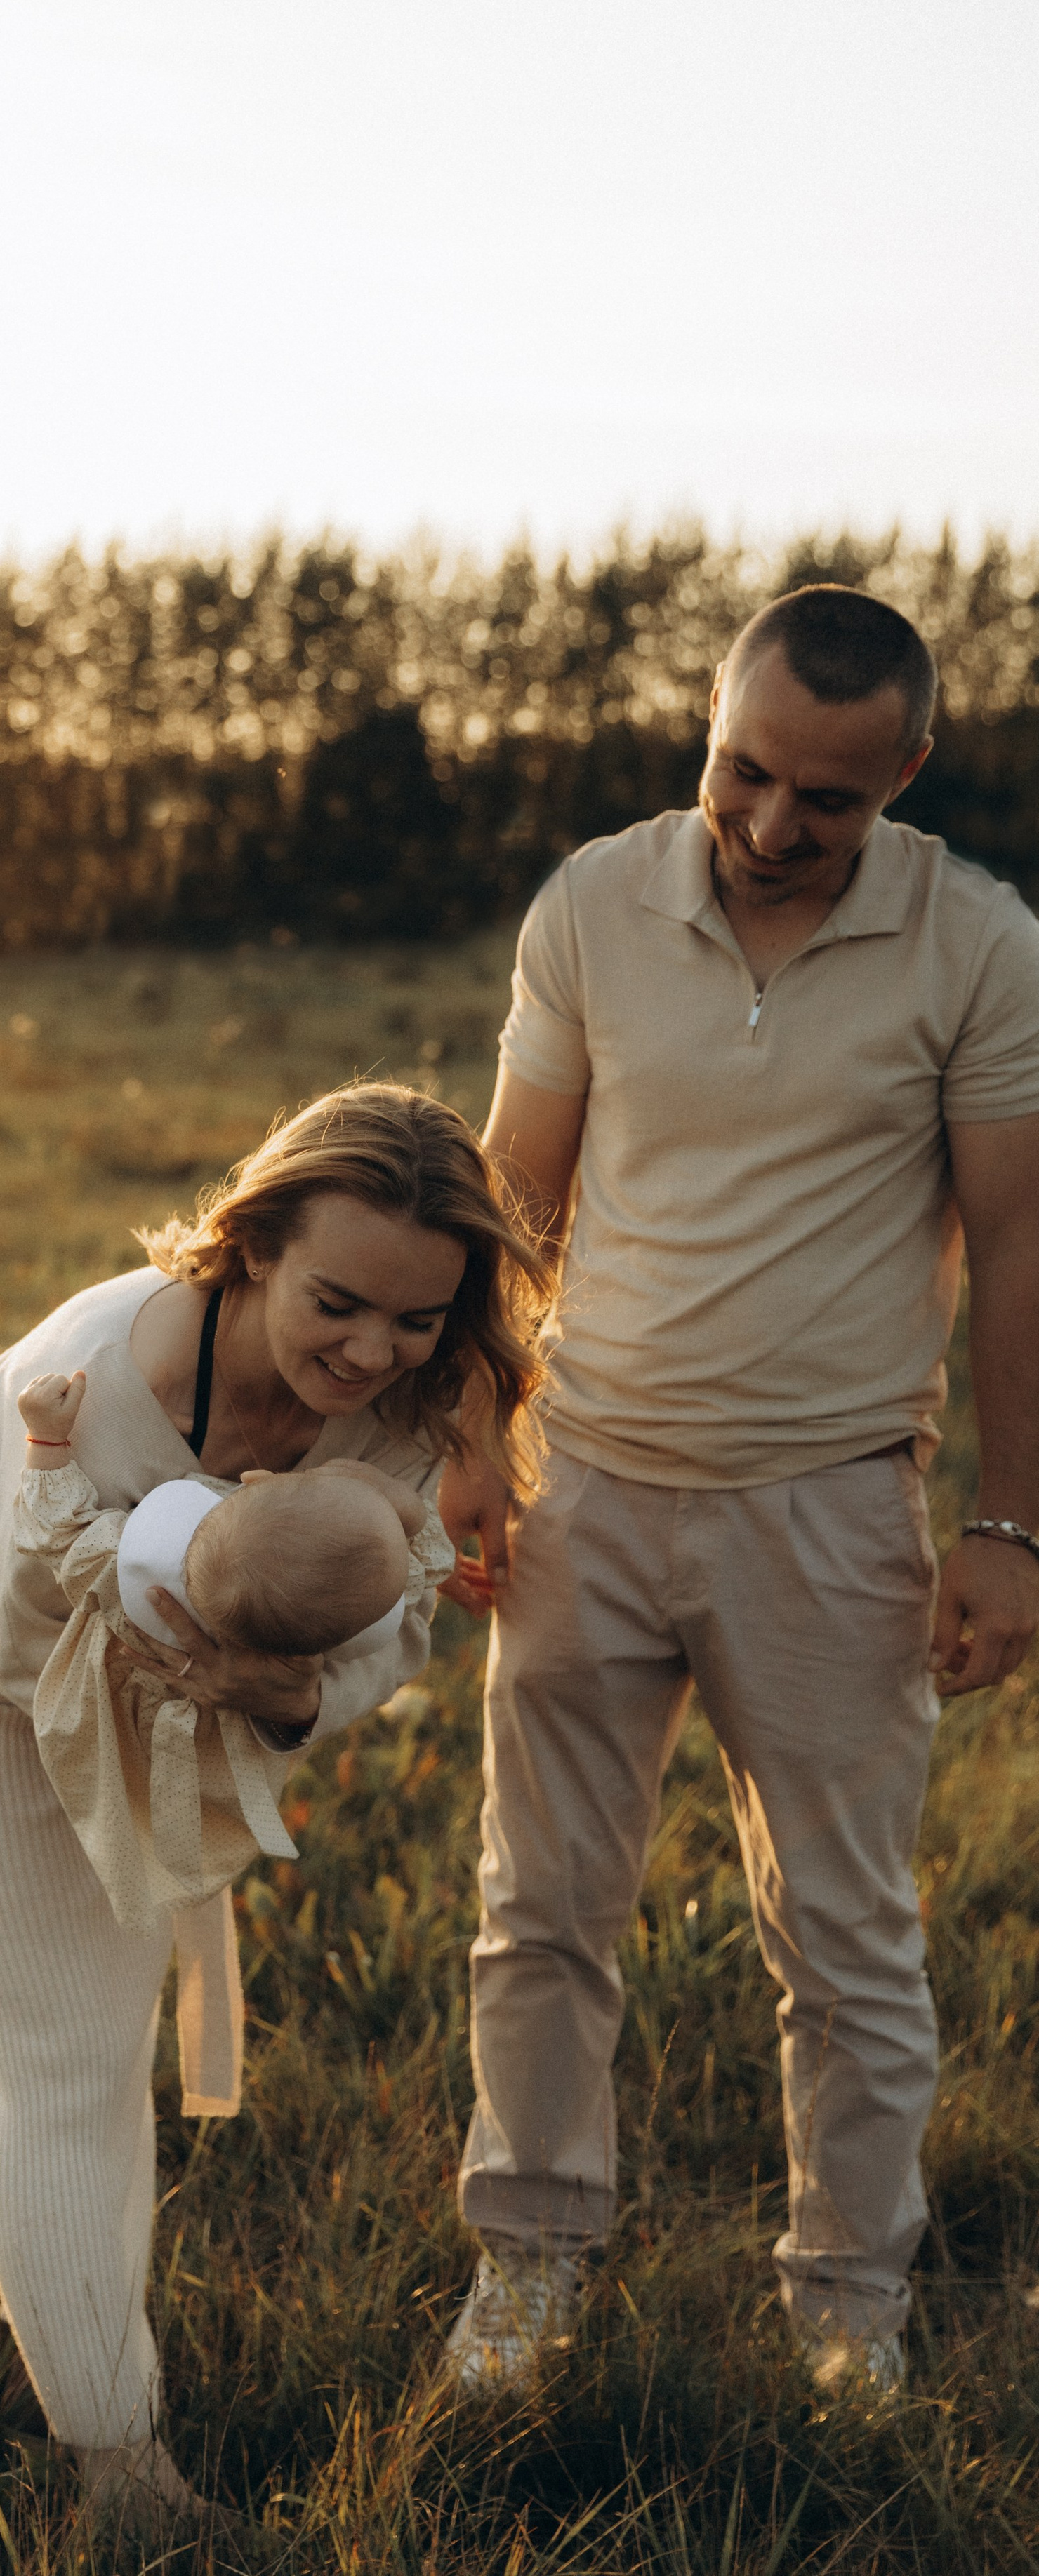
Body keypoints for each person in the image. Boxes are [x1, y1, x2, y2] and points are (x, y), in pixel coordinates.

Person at [437, 584, 1039, 2397]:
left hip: (834, 1509)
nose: (774, 827)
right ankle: (530, 2272)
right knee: (541, 1909)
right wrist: (473, 1435)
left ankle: (850, 2307)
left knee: (847, 1938)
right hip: (588, 1492)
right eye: (744, 773)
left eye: (831, 801)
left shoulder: (981, 946)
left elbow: (1016, 1246)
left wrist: (1009, 1528)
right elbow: (511, 1200)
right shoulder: (595, 907)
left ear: (910, 775)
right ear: (709, 725)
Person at [0, 1083, 549, 2535]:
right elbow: (9, 1617)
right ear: (248, 1244)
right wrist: (201, 1648)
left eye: (418, 1319)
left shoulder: (402, 1412)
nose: (371, 1352)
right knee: (68, 2051)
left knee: (95, 2049)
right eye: (338, 1303)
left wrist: (291, 1699)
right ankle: (120, 2477)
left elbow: (393, 1619)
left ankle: (91, 2379)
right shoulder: (87, 1377)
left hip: (189, 1708)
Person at [12, 1366, 452, 1961]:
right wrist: (400, 1505)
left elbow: (53, 1521)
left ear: (255, 1480)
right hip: (213, 1758)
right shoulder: (316, 1645)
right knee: (177, 1829)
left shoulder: (138, 1573)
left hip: (96, 1720)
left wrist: (46, 1437)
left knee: (95, 1811)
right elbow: (428, 1557)